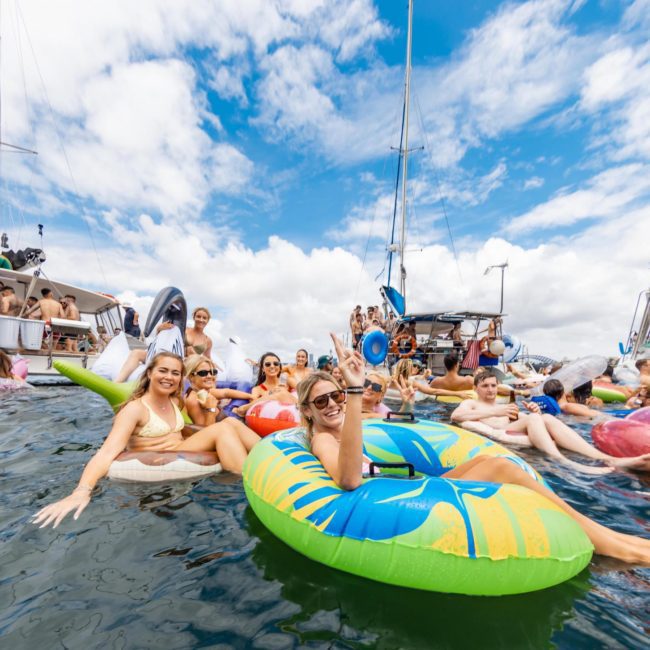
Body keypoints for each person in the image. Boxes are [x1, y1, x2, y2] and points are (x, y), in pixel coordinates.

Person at [297, 334, 650, 563]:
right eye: (321, 400)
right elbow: (347, 480)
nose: (331, 404)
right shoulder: (324, 438)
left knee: (486, 458)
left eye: (335, 395)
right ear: (308, 411)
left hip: (403, 481)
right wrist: (356, 393)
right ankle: (611, 543)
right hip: (388, 496)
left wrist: (386, 399)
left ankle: (602, 532)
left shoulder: (353, 421)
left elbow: (394, 423)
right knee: (504, 470)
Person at [32, 352, 260, 529]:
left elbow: (191, 425)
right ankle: (254, 485)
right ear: (150, 373)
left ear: (181, 378)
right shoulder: (134, 409)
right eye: (163, 371)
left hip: (181, 453)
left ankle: (274, 455)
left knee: (230, 423)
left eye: (175, 373)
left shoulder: (175, 402)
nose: (169, 377)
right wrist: (81, 491)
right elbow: (106, 452)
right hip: (156, 476)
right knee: (223, 429)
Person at [451, 370, 650, 474]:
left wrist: (530, 412)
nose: (490, 389)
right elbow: (456, 417)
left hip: (510, 426)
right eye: (485, 386)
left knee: (545, 416)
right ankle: (565, 462)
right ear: (476, 388)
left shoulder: (505, 404)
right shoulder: (471, 403)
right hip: (500, 432)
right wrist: (498, 410)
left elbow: (517, 419)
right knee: (538, 418)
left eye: (493, 385)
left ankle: (607, 458)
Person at [183, 355, 253, 426]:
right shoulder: (193, 401)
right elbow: (205, 433)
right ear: (191, 377)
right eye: (203, 373)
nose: (210, 376)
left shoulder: (201, 392)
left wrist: (251, 396)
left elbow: (226, 393)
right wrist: (211, 409)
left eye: (213, 372)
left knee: (245, 385)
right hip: (226, 429)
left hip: (229, 422)